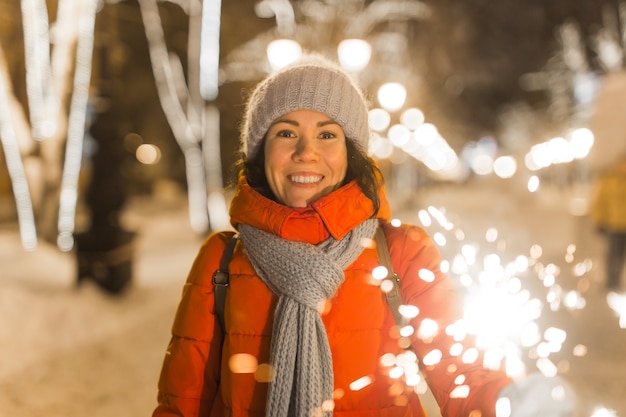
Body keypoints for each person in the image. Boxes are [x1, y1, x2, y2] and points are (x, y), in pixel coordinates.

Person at [152, 54, 574, 417]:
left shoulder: (401, 250)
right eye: (285, 132)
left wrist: (508, 400)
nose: (306, 151)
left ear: (351, 152)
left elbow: (458, 367)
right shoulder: (222, 260)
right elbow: (182, 402)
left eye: (327, 134)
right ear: (261, 151)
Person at [591, 156, 626, 291]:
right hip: (614, 225)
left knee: (620, 255)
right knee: (614, 254)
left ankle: (616, 280)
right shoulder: (609, 180)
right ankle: (611, 280)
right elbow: (600, 202)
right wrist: (599, 221)